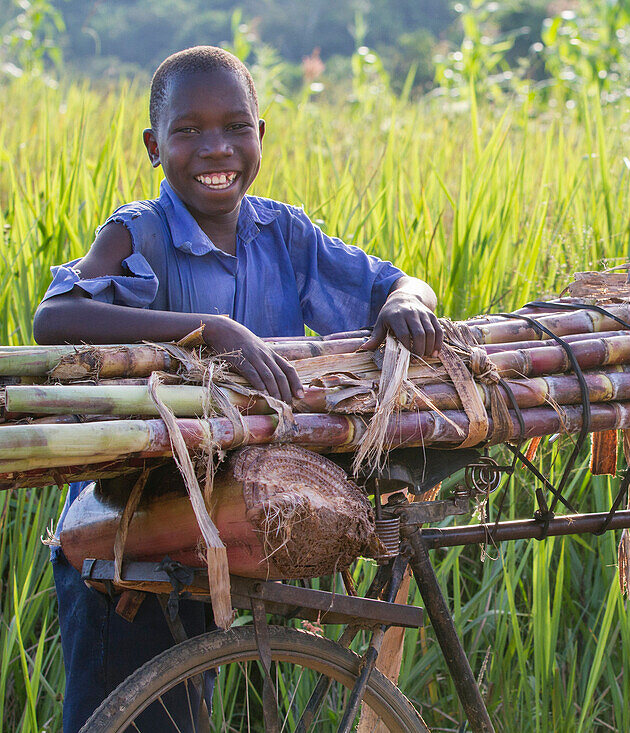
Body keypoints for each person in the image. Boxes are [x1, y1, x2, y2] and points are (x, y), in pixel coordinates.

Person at [33, 45, 443, 732]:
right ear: (153, 146)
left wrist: (407, 302)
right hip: (128, 529)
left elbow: (397, 283)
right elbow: (55, 317)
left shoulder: (283, 233)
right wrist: (211, 328)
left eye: (234, 126)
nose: (214, 147)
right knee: (129, 710)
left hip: (220, 521)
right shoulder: (141, 232)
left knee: (186, 708)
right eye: (188, 130)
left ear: (261, 135)